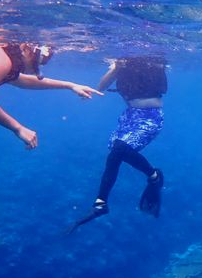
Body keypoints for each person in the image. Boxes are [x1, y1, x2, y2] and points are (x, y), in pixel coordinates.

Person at [69, 56, 166, 233]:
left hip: (151, 117)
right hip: (130, 116)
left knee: (119, 149)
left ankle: (154, 176)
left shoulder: (153, 59)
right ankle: (101, 203)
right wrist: (115, 68)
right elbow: (101, 86)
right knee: (115, 153)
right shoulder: (122, 61)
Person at [0, 39, 102, 149]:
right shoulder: (2, 59)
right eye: (37, 60)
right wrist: (18, 128)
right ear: (26, 49)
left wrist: (70, 85)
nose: (36, 68)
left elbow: (23, 81)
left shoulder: (5, 62)